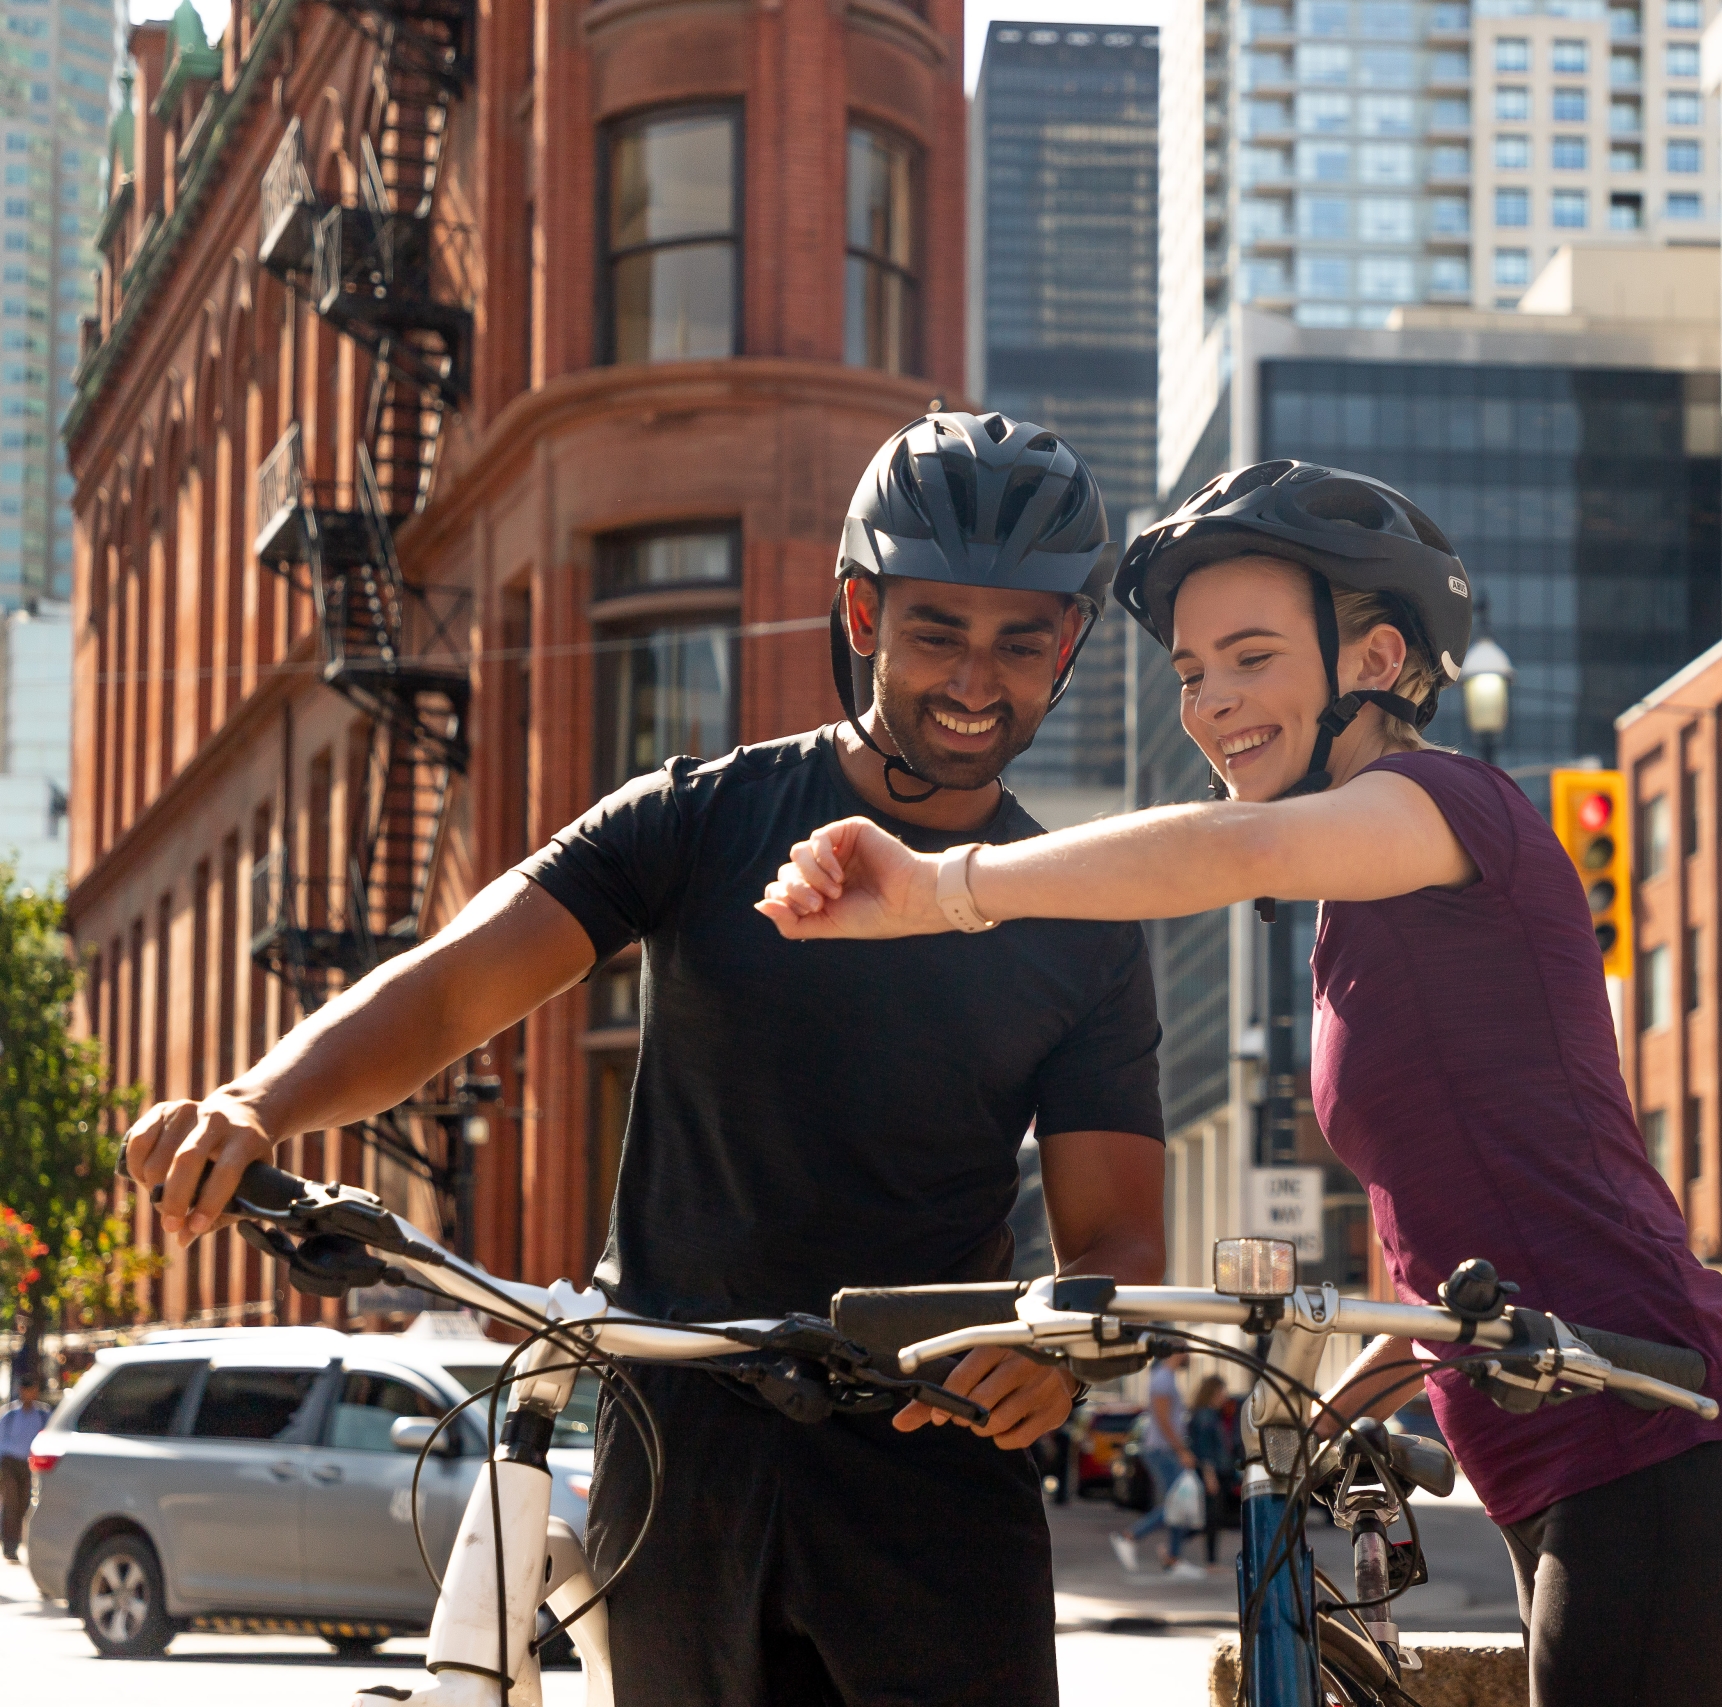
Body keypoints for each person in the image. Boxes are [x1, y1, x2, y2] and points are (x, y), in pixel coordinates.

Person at [123, 411, 1171, 1707]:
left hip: (936, 1459)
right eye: (937, 629)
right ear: (860, 611)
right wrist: (255, 1099)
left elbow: (1121, 1235)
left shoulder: (1077, 918)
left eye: (1021, 637)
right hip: (678, 1446)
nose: (976, 678)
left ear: (1068, 642)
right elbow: (454, 982)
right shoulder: (703, 818)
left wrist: (1064, 1346)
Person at [757, 459, 1722, 1707]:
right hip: (1583, 1466)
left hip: (1663, 1452)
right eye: (1191, 672)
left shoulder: (1446, 804)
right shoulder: (1358, 909)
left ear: (1373, 660)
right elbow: (1455, 1229)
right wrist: (1328, 1406)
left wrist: (944, 892)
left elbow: (1238, 845)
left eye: (1252, 658)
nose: (1211, 704)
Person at [1112, 1349, 1205, 1579]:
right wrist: (1181, 1450)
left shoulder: (1167, 1377)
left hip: (1164, 1450)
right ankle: (1130, 1536)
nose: (1189, 1357)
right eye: (1186, 1351)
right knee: (1176, 1505)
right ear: (1177, 1351)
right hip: (1162, 1450)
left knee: (1177, 1504)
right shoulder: (1163, 1378)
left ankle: (1173, 1558)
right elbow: (1163, 1419)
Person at [1185, 1373, 1239, 1563]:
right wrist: (1209, 1476)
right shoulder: (1206, 1416)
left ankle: (1178, 1548)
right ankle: (1209, 1560)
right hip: (1214, 1472)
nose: (1224, 1397)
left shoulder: (1210, 1414)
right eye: (1221, 1393)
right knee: (1211, 1518)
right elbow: (1205, 1450)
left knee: (1212, 1518)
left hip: (1219, 1471)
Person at [2, 1372, 51, 1563]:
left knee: (25, 1505)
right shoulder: (10, 1414)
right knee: (11, 1505)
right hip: (10, 1464)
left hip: (32, 1465)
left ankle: (22, 1543)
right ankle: (10, 1547)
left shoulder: (43, 1414)